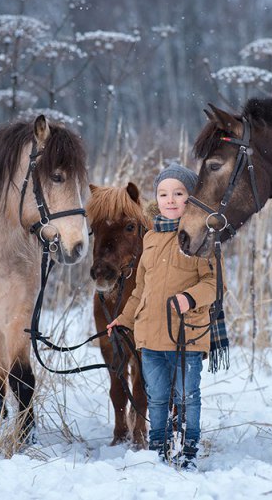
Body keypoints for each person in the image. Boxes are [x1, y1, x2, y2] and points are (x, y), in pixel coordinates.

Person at [107, 163, 217, 470]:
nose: (170, 199)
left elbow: (213, 284)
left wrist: (189, 298)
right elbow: (140, 288)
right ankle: (159, 448)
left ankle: (188, 451)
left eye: (179, 193)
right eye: (163, 193)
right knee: (155, 397)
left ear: (191, 198)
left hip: (186, 337)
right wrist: (125, 319)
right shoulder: (151, 239)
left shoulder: (200, 239)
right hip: (151, 338)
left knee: (186, 397)